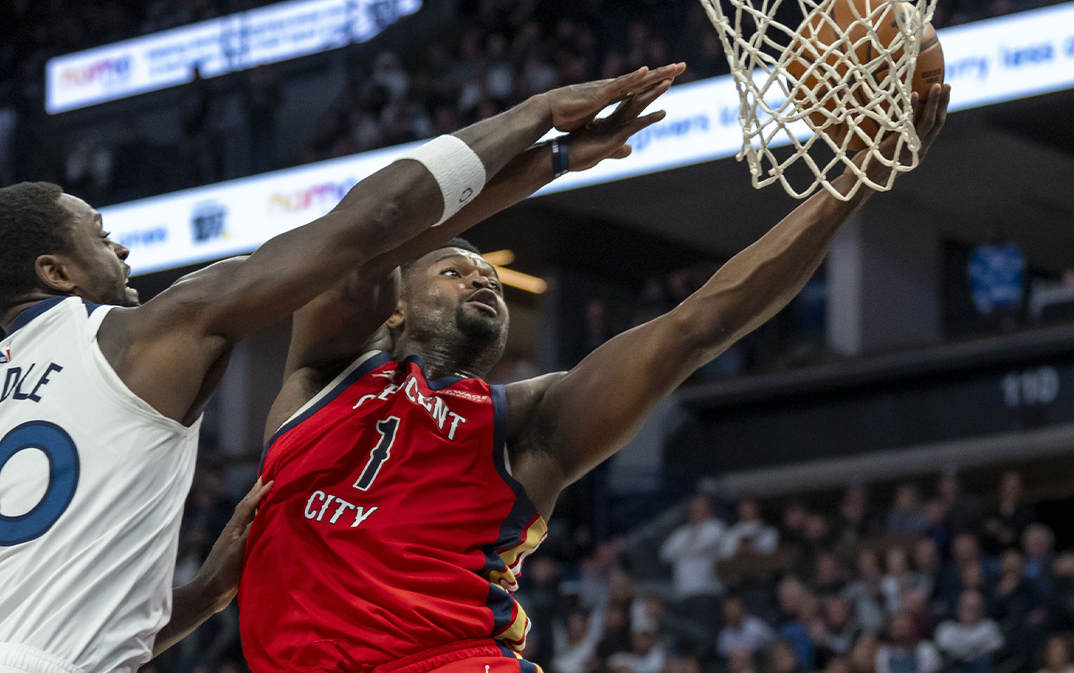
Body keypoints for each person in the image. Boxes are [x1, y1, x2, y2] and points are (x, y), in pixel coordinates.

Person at [0, 66, 657, 673]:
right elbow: (362, 234)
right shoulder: (136, 335)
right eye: (103, 238)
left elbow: (55, 629)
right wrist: (537, 125)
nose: (124, 255)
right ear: (55, 270)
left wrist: (207, 592)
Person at [238, 83, 951, 673]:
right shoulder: (323, 371)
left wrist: (854, 184)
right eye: (455, 269)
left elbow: (696, 326)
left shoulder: (527, 422)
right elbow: (365, 234)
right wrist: (543, 158)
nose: (482, 278)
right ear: (393, 307)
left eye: (490, 275)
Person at [935, 591, 1004, 673]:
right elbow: (942, 652)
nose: (971, 611)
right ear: (959, 607)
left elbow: (996, 651)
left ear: (982, 609)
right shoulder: (946, 628)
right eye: (967, 607)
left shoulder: (989, 627)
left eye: (975, 607)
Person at [875, 611, 940, 673]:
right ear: (891, 631)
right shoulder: (884, 653)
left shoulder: (925, 649)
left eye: (905, 628)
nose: (902, 634)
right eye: (899, 629)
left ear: (912, 628)